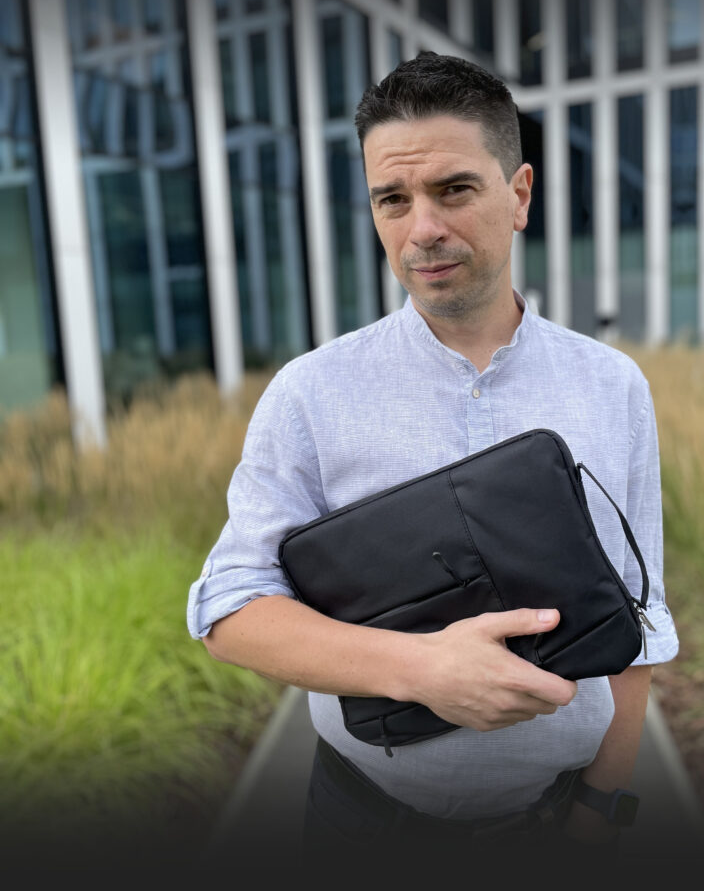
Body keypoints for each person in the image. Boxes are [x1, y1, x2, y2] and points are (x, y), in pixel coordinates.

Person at [187, 51, 678, 877]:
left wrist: (599, 813)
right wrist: (421, 670)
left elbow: (642, 613)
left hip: (559, 827)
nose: (422, 229)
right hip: (362, 831)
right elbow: (229, 607)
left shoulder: (612, 384)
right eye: (393, 199)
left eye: (454, 189)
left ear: (519, 195)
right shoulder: (309, 392)